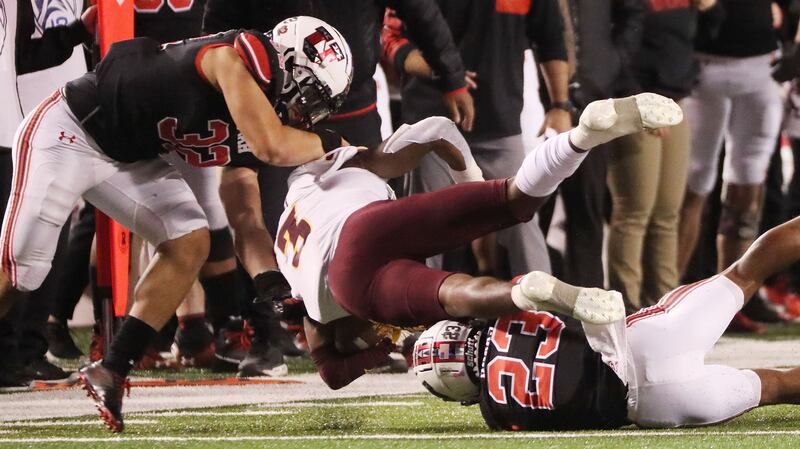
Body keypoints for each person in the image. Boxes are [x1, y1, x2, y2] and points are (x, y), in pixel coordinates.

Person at [0, 17, 353, 431]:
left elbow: (243, 215)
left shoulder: (260, 108)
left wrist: (272, 286)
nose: (307, 111)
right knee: (22, 268)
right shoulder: (230, 59)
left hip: (129, 158)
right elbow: (272, 146)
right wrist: (337, 145)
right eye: (310, 95)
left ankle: (111, 370)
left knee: (189, 240)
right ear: (290, 64)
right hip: (69, 131)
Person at [273, 93, 683, 389]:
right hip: (368, 225)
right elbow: (436, 129)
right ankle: (582, 136)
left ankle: (524, 292)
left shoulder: (297, 268)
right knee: (515, 199)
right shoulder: (319, 180)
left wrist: (386, 344)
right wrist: (474, 196)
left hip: (351, 280)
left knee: (455, 293)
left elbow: (331, 374)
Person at [413, 211, 800, 430]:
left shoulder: (497, 412)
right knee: (744, 274)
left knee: (777, 387)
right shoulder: (504, 313)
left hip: (656, 406)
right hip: (644, 342)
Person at [382, 0, 569, 277]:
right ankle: (422, 318)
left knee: (523, 225)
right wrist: (443, 73)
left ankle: (540, 314)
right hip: (433, 124)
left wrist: (560, 105)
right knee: (426, 228)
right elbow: (390, 36)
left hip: (500, 122)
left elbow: (550, 38)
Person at [0, 0, 96, 387]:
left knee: (21, 245)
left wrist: (76, 34)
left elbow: (26, 55)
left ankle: (15, 351)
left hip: (7, 127)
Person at [677, 0, 783, 332]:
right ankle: (671, 296)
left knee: (747, 187)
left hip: (761, 65)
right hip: (705, 64)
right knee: (694, 183)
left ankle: (730, 306)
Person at [605, 0, 718, 313]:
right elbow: (617, 49)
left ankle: (664, 305)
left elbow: (708, 38)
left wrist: (709, 8)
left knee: (668, 213)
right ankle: (626, 307)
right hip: (636, 102)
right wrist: (641, 102)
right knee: (634, 211)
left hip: (675, 101)